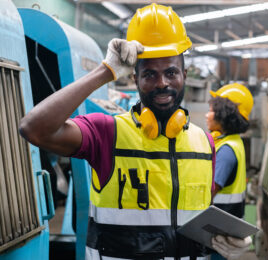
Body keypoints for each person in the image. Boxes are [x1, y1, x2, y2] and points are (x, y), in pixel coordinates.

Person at [19, 3, 250, 260]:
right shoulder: (107, 133)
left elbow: (195, 221)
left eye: (171, 72)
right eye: (149, 74)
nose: (162, 83)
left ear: (184, 75)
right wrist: (104, 72)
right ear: (135, 79)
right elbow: (34, 129)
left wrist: (223, 241)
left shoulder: (205, 143)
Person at [206, 83, 254, 260]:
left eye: (211, 110)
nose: (206, 115)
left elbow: (209, 192)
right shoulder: (231, 141)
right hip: (224, 228)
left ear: (224, 115)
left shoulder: (226, 150)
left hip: (217, 234)